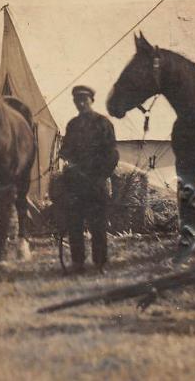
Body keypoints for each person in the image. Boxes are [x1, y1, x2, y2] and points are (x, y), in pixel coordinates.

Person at [59, 85, 119, 274]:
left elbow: (112, 154)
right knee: (74, 224)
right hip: (76, 184)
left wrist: (100, 176)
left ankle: (100, 264)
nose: (81, 104)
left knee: (98, 225)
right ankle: (78, 263)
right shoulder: (72, 125)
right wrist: (69, 164)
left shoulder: (103, 124)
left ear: (92, 101)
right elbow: (65, 151)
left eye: (84, 100)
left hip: (96, 183)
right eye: (77, 101)